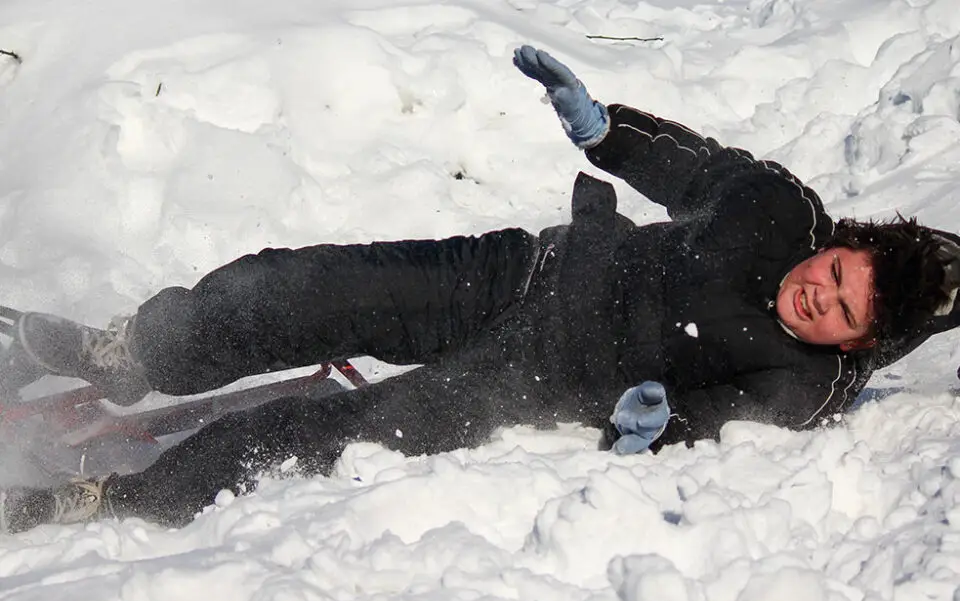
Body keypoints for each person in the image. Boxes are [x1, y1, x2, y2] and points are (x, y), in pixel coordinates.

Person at [0, 46, 958, 534]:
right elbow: (694, 166)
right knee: (287, 293)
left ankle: (115, 500)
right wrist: (602, 131)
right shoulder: (778, 206)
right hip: (517, 274)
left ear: (855, 346)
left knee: (313, 442)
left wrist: (654, 423)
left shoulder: (802, 385)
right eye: (832, 274)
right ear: (841, 243)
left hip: (523, 379)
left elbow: (711, 431)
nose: (814, 297)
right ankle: (126, 356)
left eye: (838, 314)